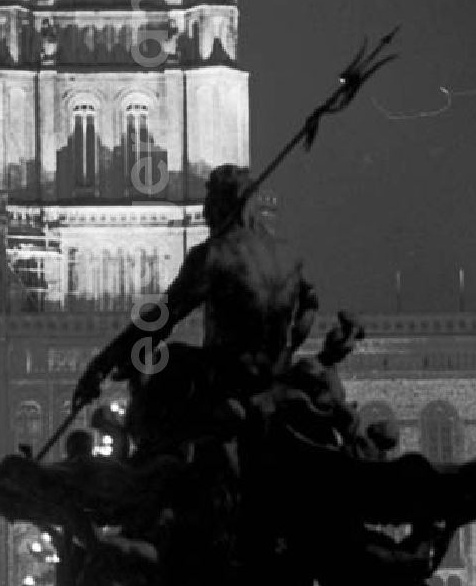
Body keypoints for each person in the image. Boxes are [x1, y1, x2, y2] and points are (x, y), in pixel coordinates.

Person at [73, 164, 318, 414]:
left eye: (209, 201)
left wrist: (101, 366)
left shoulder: (213, 255)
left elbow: (161, 319)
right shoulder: (289, 255)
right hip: (274, 372)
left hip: (226, 376)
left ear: (221, 204)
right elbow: (309, 307)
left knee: (163, 365)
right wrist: (288, 350)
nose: (204, 211)